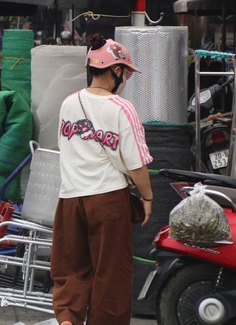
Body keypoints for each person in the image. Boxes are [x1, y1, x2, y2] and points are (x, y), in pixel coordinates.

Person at [51, 34, 153, 325]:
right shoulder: (122, 108)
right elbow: (137, 165)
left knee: (70, 270)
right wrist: (147, 197)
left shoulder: (69, 104)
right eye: (125, 72)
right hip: (108, 200)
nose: (125, 79)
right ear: (115, 71)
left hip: (69, 199)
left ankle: (68, 320)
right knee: (110, 275)